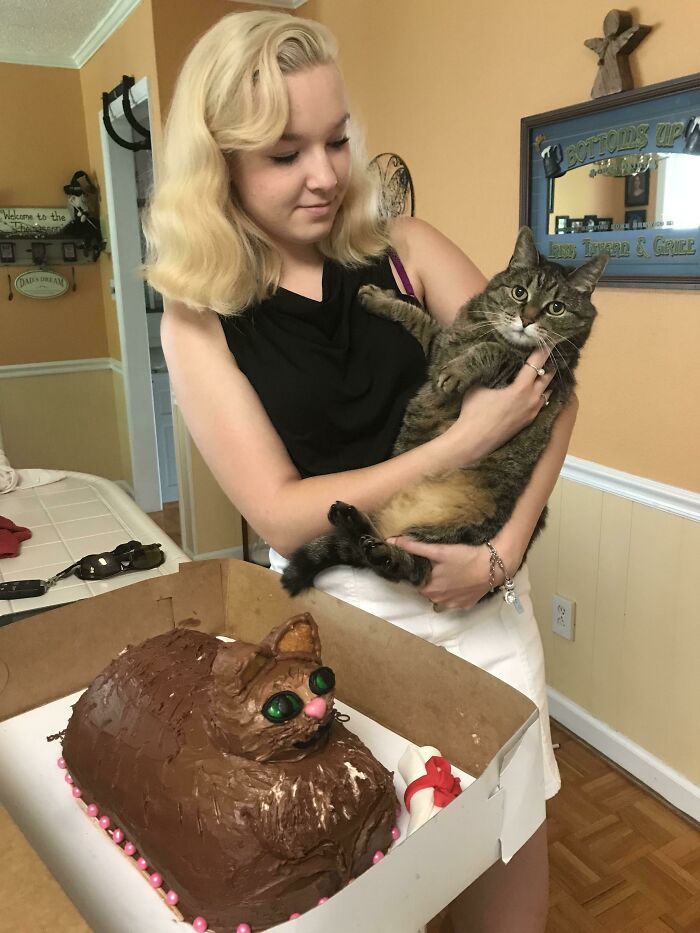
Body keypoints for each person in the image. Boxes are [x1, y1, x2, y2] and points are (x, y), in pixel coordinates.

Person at [144, 11, 577, 932]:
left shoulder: (407, 251)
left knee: (508, 896)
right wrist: (459, 442)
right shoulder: (201, 319)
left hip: (483, 609)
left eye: (337, 138)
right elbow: (284, 513)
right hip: (339, 640)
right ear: (216, 163)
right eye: (284, 152)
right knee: (376, 897)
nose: (325, 174)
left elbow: (557, 396)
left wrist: (499, 554)